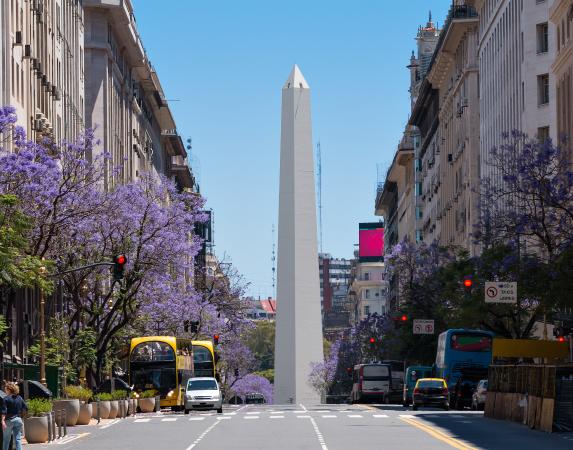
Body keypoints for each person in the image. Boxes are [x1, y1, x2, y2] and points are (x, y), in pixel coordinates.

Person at [1, 382, 27, 450]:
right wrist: (21, 416)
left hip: (8, 421)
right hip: (18, 420)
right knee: (17, 439)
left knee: (6, 440)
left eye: (5, 389)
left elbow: (4, 411)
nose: (5, 390)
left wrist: (2, 421)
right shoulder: (19, 398)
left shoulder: (5, 399)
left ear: (9, 389)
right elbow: (25, 408)